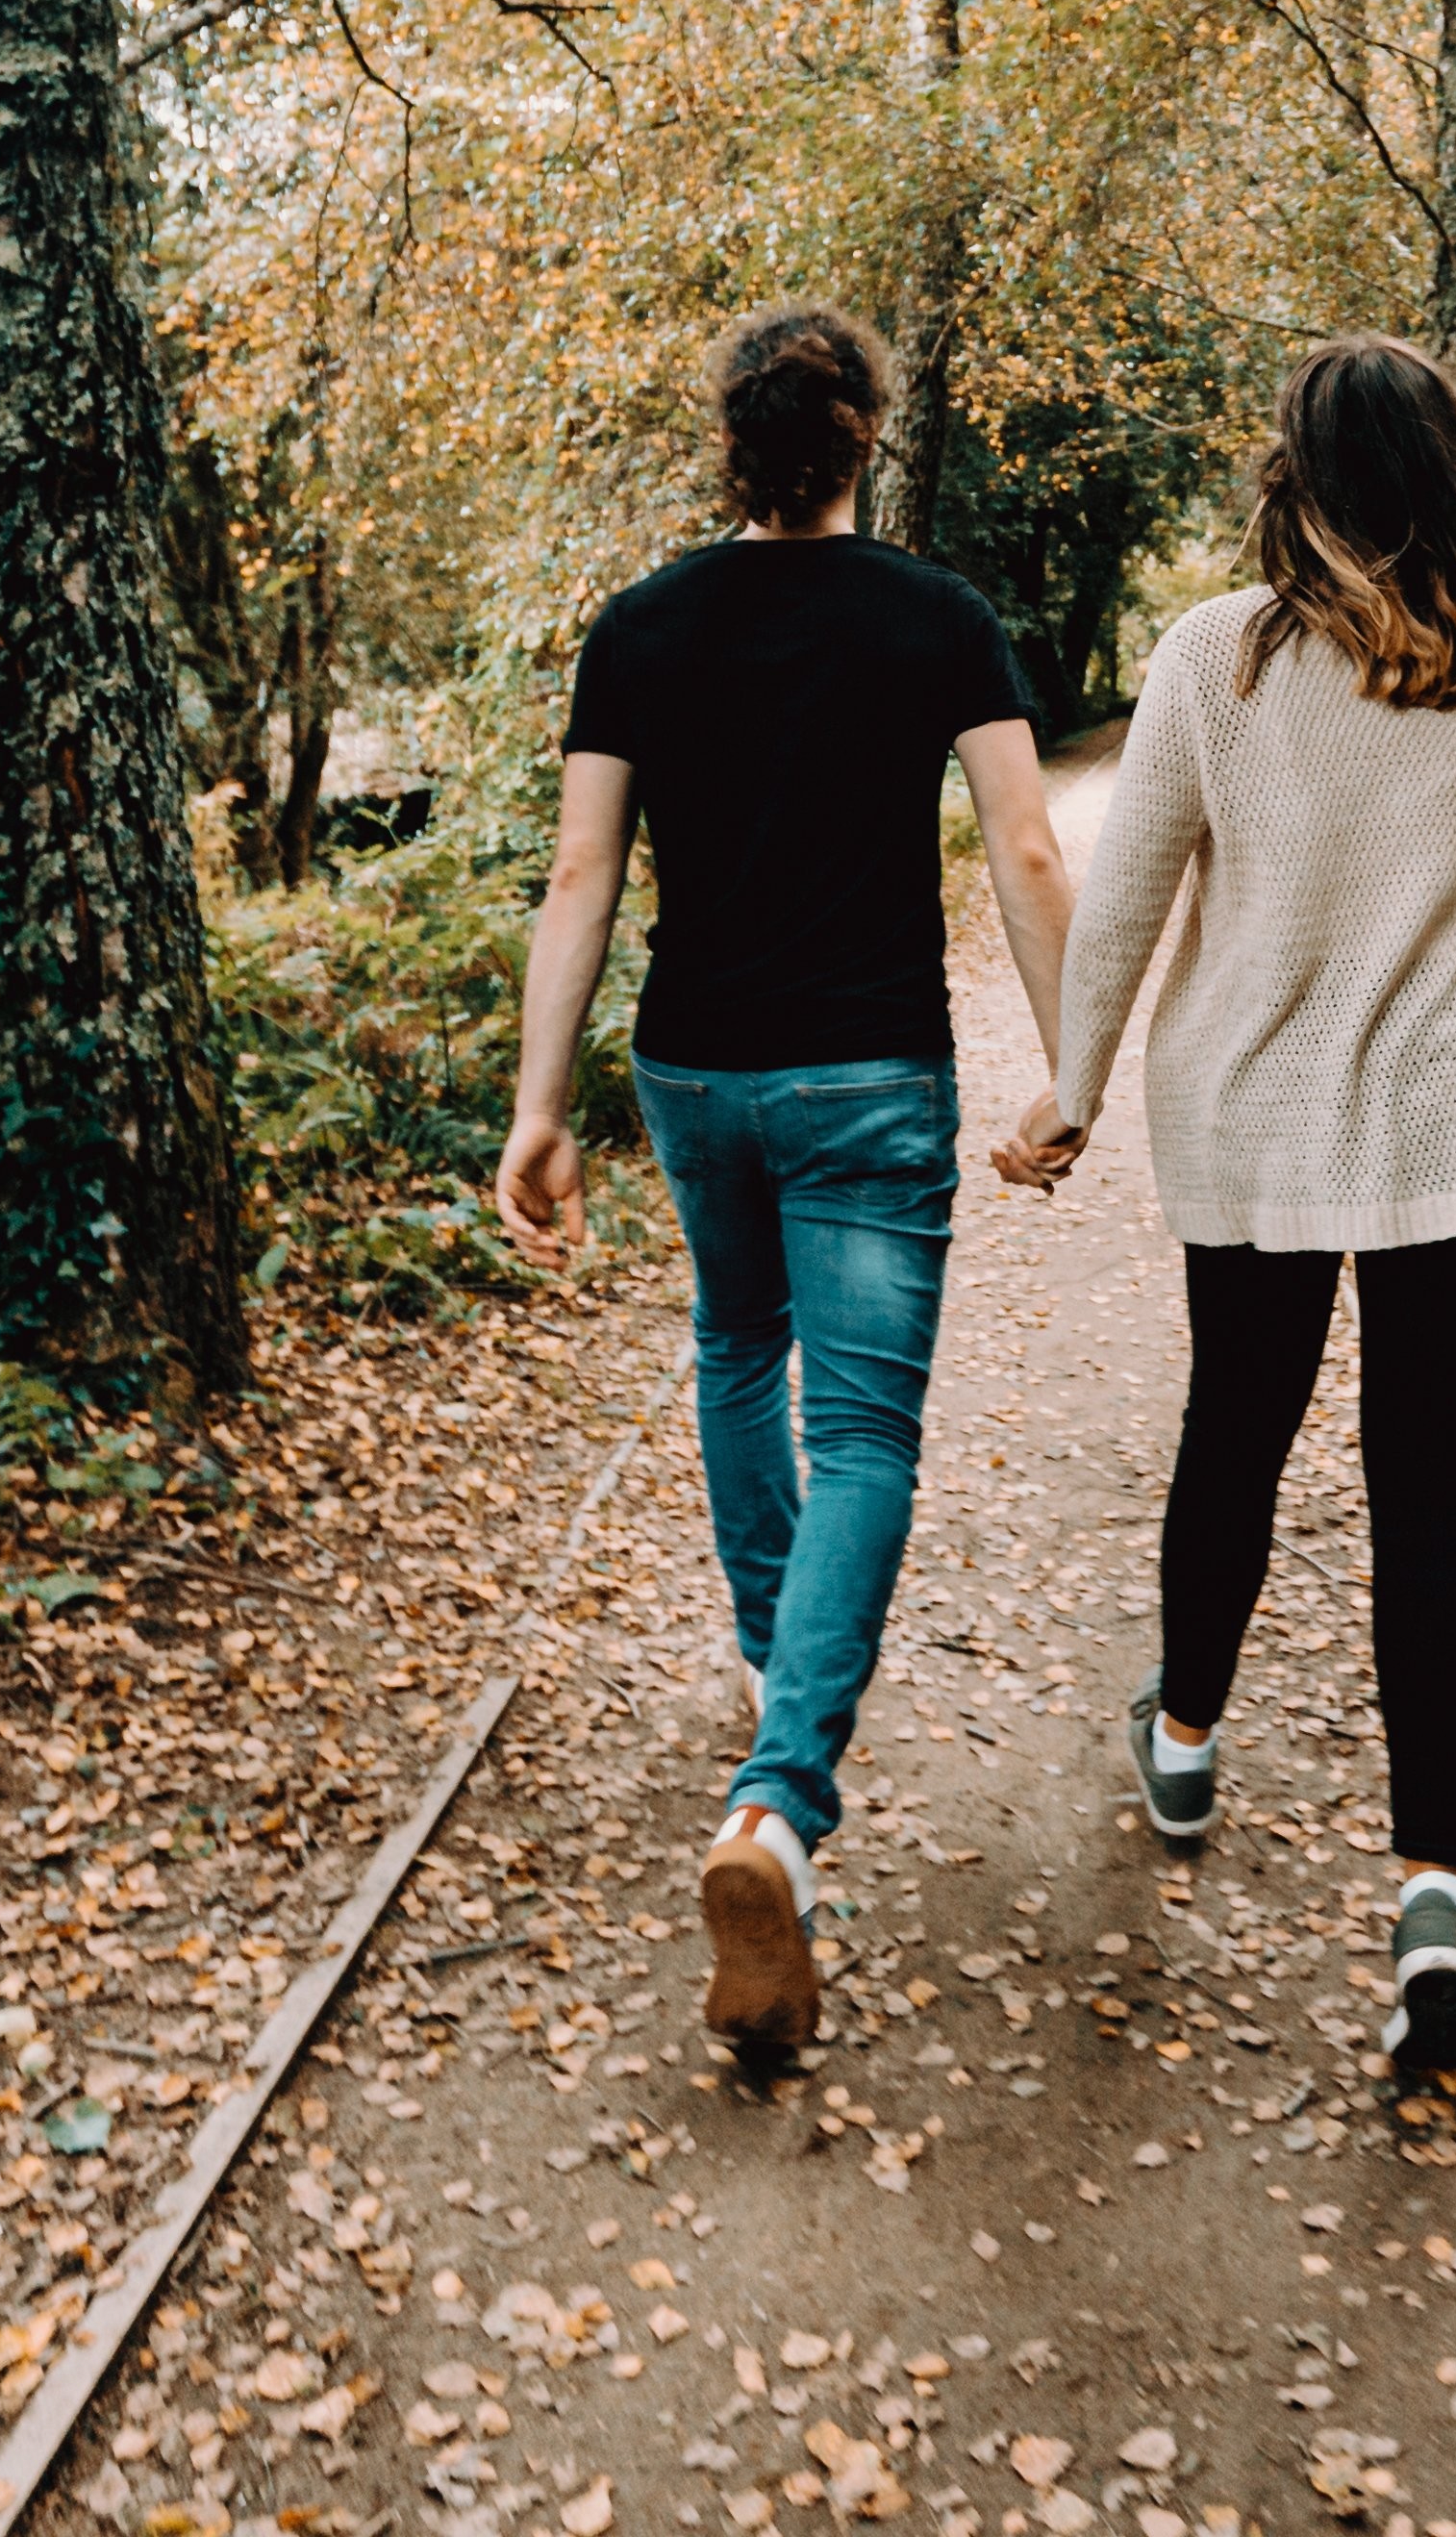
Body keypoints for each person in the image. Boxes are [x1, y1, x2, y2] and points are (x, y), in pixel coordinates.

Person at [1000, 335, 1456, 2087]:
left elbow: (1123, 898)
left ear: (1300, 478)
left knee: (1237, 1436)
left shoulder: (1216, 657)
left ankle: (1183, 1736)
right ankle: (1436, 1897)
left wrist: (1079, 1088)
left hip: (1250, 1123)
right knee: (1436, 1491)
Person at [495, 304, 1075, 2063]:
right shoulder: (937, 618)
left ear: (732, 445)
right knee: (872, 1437)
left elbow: (582, 875)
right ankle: (777, 1802)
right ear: (862, 440)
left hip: (699, 1075)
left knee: (737, 1348)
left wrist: (539, 1103)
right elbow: (1030, 846)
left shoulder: (641, 628)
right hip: (872, 1075)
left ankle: (778, 1665)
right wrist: (1080, 1067)